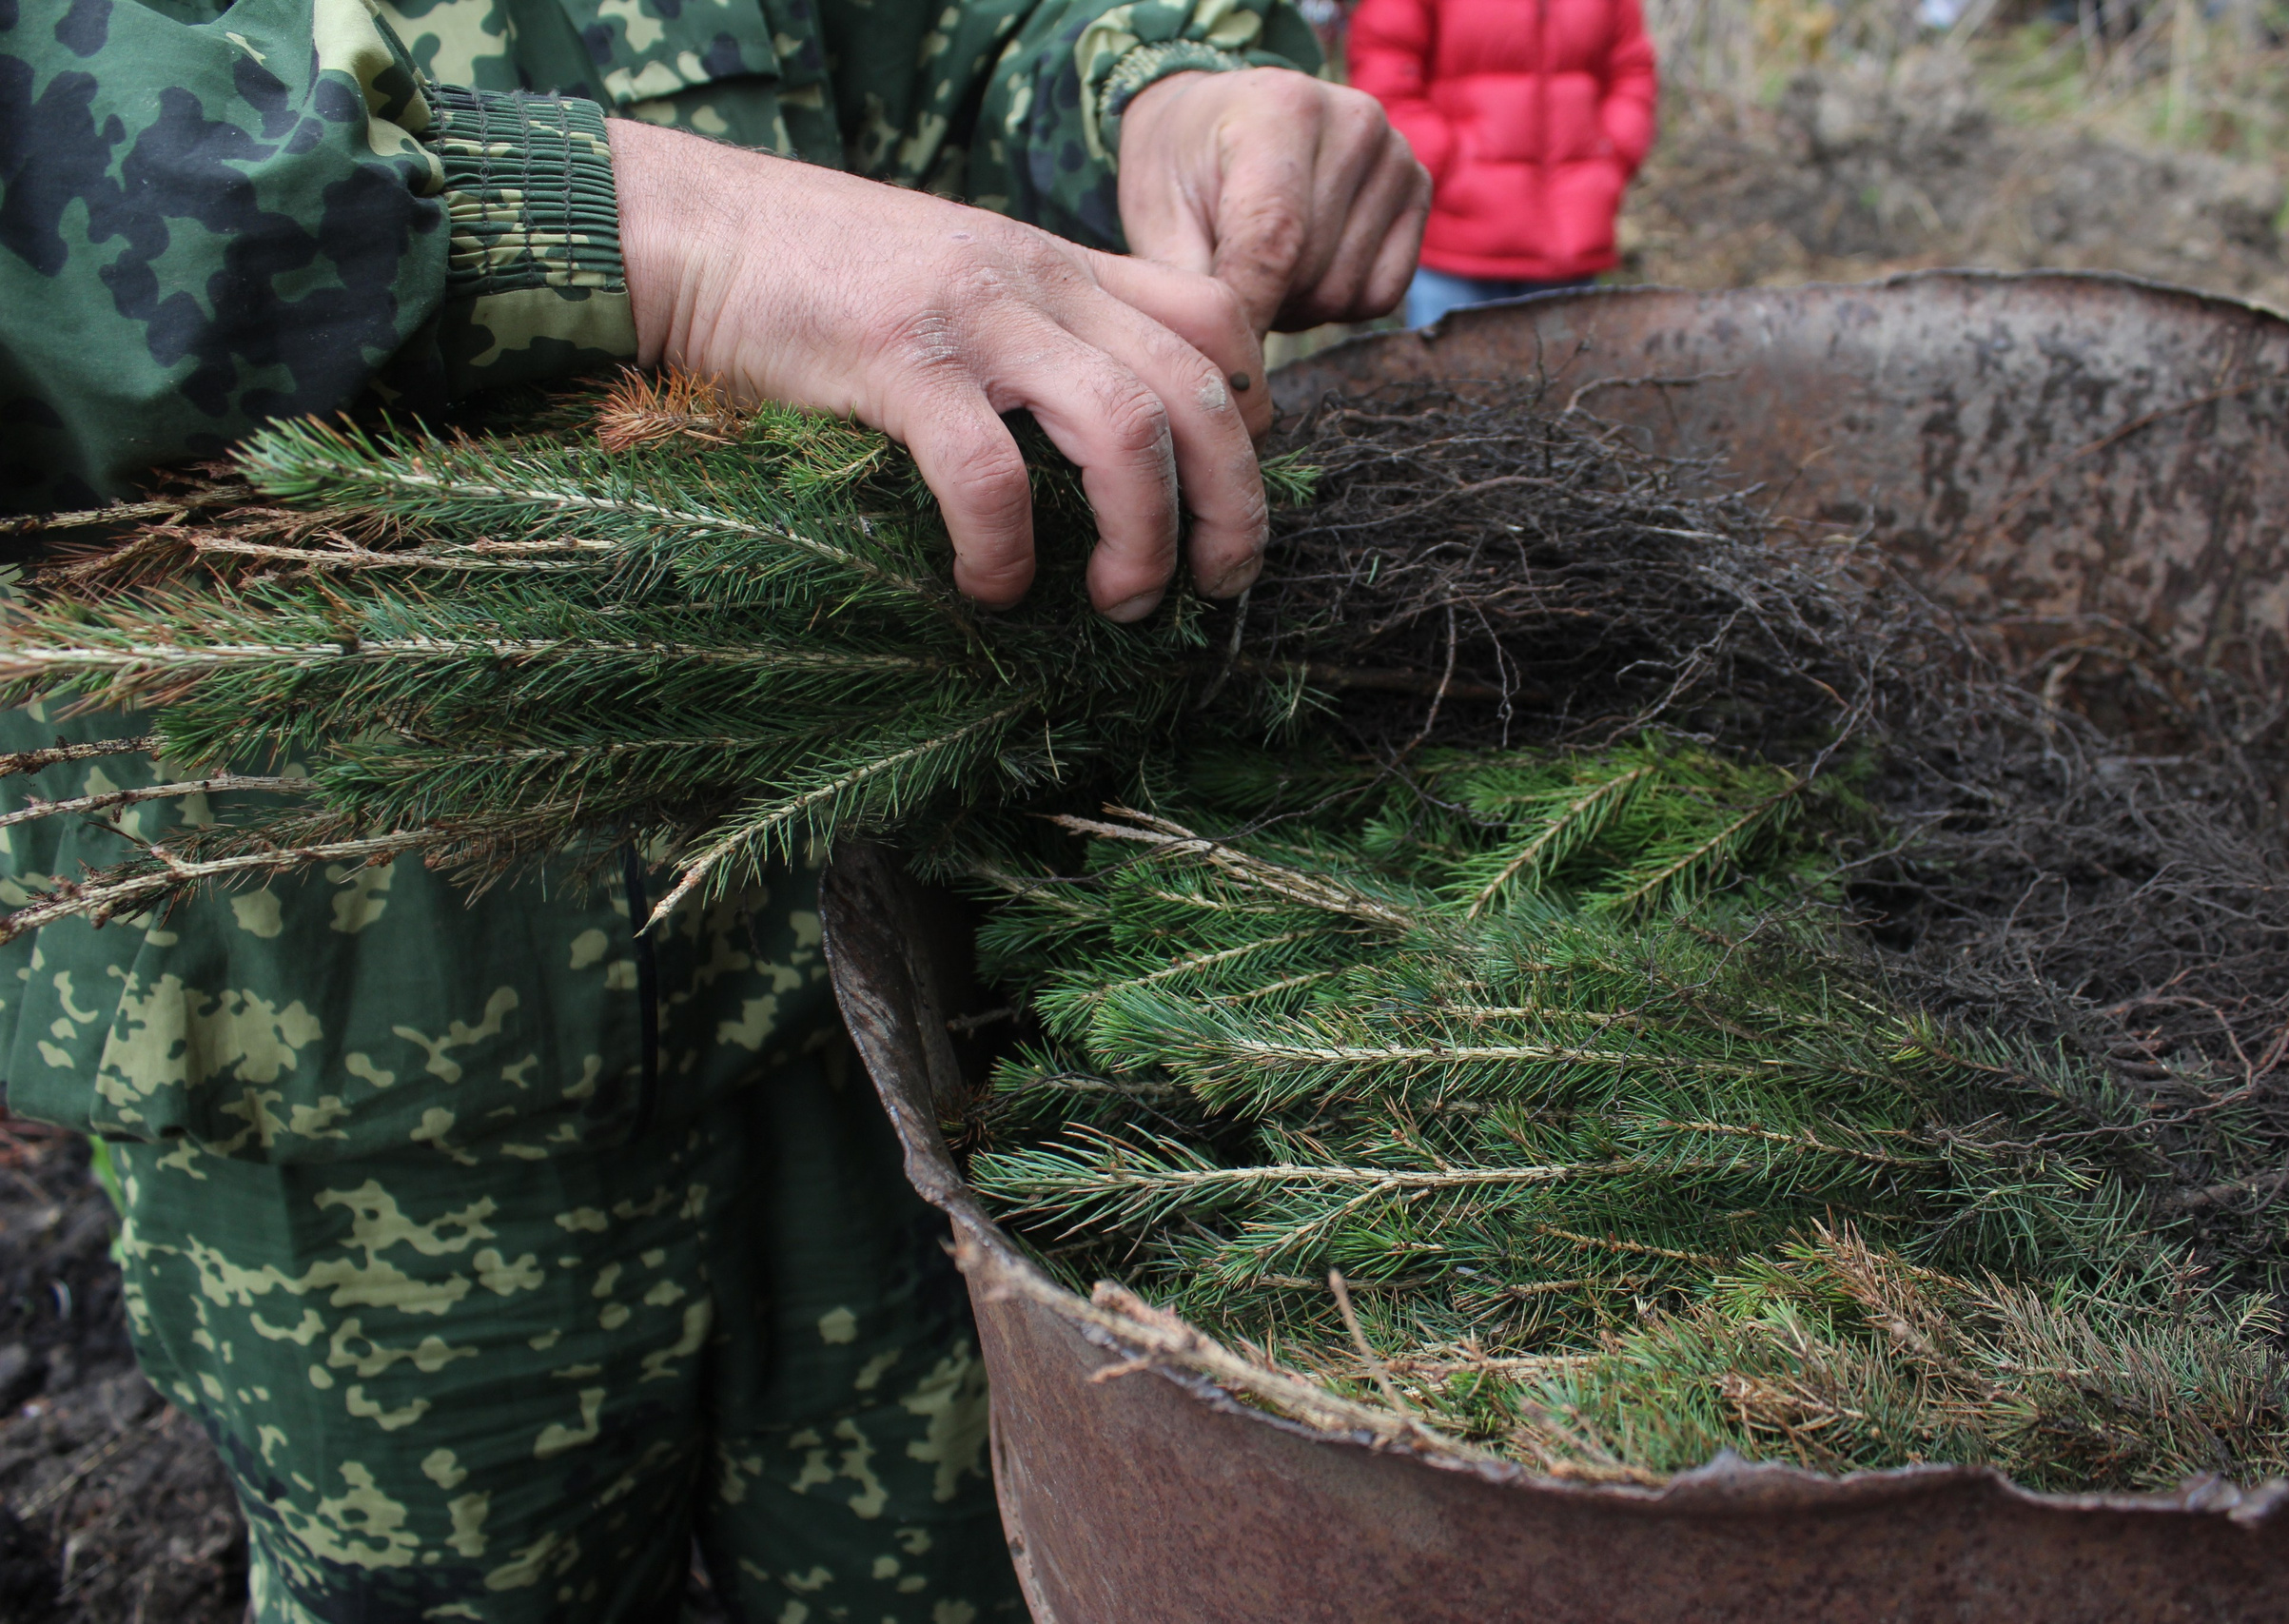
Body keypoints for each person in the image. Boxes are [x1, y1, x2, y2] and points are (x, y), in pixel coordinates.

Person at [0, 2, 1427, 1618]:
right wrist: (679, 241)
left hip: (884, 1014)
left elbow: (966, 36)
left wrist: (1147, 89)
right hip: (363, 1069)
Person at [1348, 0, 1657, 330]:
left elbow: (1631, 70)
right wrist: (1445, 169)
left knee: (1569, 377)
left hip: (1570, 242)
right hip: (1455, 247)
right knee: (1449, 380)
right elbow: (1386, 74)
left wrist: (1611, 158)